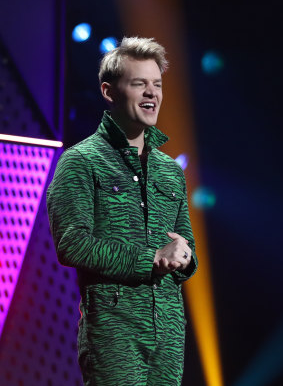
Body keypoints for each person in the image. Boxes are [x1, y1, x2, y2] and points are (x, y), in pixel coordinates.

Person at [46, 37, 197, 386]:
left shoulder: (169, 170)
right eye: (139, 83)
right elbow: (72, 244)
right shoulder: (81, 161)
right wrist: (152, 258)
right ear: (109, 91)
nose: (151, 93)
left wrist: (186, 259)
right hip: (115, 334)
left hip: (170, 334)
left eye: (156, 84)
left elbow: (185, 244)